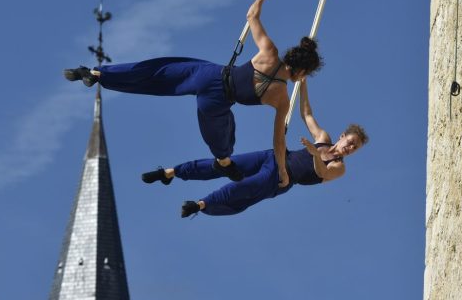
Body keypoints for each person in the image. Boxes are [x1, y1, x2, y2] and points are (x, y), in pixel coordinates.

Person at [64, 0, 322, 186]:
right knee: (223, 139)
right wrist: (283, 171)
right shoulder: (281, 98)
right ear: (302, 71)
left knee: (157, 71)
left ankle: (97, 74)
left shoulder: (269, 51)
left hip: (209, 74)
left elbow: (251, 15)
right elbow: (278, 142)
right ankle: (223, 161)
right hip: (215, 102)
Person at [140, 77, 368, 217]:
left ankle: (201, 204)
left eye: (354, 148)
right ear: (342, 136)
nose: (350, 148)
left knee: (244, 188)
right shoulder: (323, 137)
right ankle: (170, 172)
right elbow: (306, 112)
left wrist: (313, 154)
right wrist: (303, 81)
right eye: (350, 143)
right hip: (273, 156)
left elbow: (322, 172)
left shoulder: (339, 167)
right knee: (225, 164)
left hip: (280, 177)